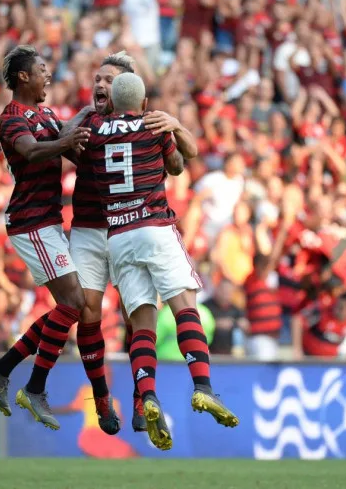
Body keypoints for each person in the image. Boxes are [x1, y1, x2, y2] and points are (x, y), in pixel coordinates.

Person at [81, 72, 239, 451]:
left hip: (118, 235)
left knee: (142, 322)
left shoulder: (96, 131)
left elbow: (79, 143)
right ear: (145, 104)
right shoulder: (154, 127)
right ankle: (202, 386)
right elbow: (185, 160)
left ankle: (148, 395)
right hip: (154, 226)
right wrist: (176, 124)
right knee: (185, 305)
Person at [0, 45, 110, 433]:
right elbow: (33, 152)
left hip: (48, 221)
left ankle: (2, 370)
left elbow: (65, 134)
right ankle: (32, 387)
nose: (47, 76)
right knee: (74, 302)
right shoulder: (12, 117)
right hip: (30, 222)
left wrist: (89, 115)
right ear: (23, 77)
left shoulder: (45, 113)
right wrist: (65, 143)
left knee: (70, 307)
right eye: (41, 70)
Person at [67, 51, 200, 433]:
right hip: (93, 228)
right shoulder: (88, 124)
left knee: (138, 314)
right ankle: (103, 399)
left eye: (109, 80)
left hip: (125, 228)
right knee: (88, 310)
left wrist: (172, 126)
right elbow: (60, 139)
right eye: (97, 79)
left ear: (126, 89)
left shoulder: (147, 121)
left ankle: (142, 400)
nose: (100, 85)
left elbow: (178, 164)